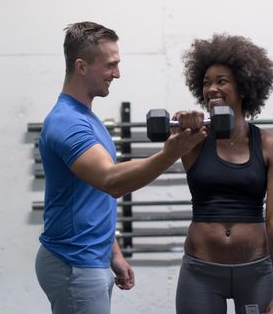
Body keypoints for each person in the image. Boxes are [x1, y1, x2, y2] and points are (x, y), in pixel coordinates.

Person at [35, 21, 207, 314]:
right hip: (75, 263)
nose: (117, 73)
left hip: (89, 257)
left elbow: (93, 196)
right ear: (81, 66)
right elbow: (110, 181)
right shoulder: (68, 123)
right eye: (110, 65)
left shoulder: (86, 118)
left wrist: (113, 252)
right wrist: (170, 154)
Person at [174, 34, 273, 314]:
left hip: (256, 271)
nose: (211, 88)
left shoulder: (271, 146)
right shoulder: (192, 140)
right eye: (205, 82)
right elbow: (165, 153)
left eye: (221, 81)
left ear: (243, 88)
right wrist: (183, 126)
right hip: (200, 271)